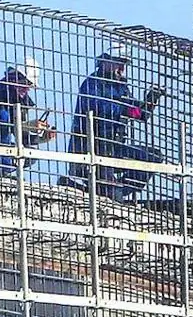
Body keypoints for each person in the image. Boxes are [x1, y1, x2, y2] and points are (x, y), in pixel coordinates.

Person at [59, 42, 166, 202]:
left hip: (112, 147)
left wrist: (151, 99)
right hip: (90, 149)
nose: (121, 69)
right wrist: (124, 105)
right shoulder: (92, 84)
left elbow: (139, 114)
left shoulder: (120, 86)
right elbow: (101, 110)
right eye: (118, 63)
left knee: (153, 157)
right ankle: (105, 191)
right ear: (106, 62)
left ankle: (106, 190)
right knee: (114, 199)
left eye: (123, 64)